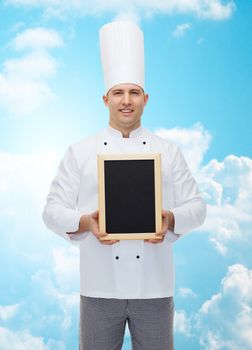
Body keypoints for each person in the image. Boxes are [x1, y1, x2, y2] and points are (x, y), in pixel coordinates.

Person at [43, 21, 206, 350]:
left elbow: (198, 207)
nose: (126, 101)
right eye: (118, 93)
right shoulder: (80, 151)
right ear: (105, 99)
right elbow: (51, 211)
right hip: (99, 288)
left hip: (155, 288)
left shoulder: (168, 151)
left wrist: (169, 218)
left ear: (146, 98)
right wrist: (85, 222)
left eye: (134, 92)